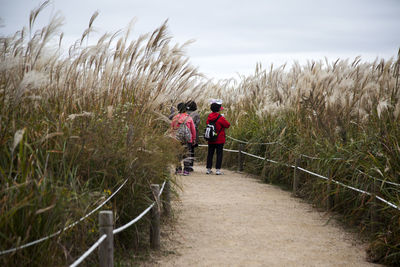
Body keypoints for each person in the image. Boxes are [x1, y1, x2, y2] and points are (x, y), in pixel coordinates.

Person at [171, 102, 197, 176]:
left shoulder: (175, 118)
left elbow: (172, 128)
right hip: (187, 139)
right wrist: (194, 138)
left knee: (177, 154)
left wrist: (173, 137)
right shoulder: (189, 118)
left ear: (178, 109)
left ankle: (178, 170)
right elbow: (193, 130)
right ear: (186, 109)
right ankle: (186, 171)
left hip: (177, 139)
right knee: (187, 154)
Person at [206, 101, 230, 175]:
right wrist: (223, 118)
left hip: (211, 138)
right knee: (219, 154)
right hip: (219, 138)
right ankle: (218, 170)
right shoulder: (220, 117)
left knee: (210, 153)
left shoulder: (209, 116)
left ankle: (208, 169)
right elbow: (227, 125)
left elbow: (207, 124)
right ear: (219, 109)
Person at [186, 100, 200, 172]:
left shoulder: (184, 113)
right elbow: (197, 124)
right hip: (192, 134)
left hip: (183, 135)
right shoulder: (196, 114)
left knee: (184, 149)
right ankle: (190, 165)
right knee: (191, 150)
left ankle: (182, 165)